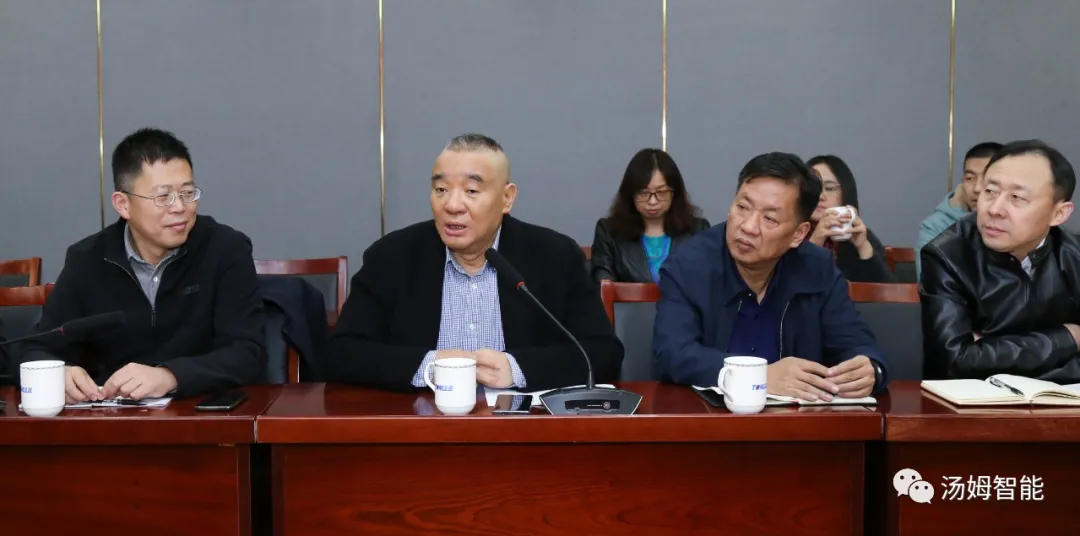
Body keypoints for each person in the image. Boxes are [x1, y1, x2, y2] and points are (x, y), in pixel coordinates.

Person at [325, 134, 623, 392]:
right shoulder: (392, 257)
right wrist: (430, 366)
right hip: (420, 427)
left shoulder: (554, 256)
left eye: (471, 191)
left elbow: (602, 353)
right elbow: (341, 353)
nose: (452, 205)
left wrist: (517, 367)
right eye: (441, 190)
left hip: (520, 430)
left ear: (507, 198)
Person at [21, 128, 266, 402]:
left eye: (187, 193)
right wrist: (58, 373)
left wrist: (170, 376)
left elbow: (247, 352)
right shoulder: (87, 260)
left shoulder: (225, 249)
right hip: (112, 419)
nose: (179, 207)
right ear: (123, 204)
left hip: (201, 413)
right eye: (163, 197)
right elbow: (37, 349)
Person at [653, 152, 888, 400]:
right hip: (709, 417)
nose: (748, 227)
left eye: (769, 218)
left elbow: (859, 345)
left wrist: (870, 370)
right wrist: (758, 376)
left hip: (799, 419)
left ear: (798, 234)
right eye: (742, 207)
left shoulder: (818, 268)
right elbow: (672, 354)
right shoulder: (689, 264)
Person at [921, 140, 1080, 381]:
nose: (994, 209)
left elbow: (974, 359)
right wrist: (1069, 338)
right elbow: (954, 362)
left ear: (1059, 213)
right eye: (990, 192)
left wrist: (989, 350)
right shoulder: (948, 255)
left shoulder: (1074, 256)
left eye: (1017, 197)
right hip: (975, 402)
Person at [591, 148, 709, 285]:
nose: (652, 201)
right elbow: (603, 284)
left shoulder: (698, 231)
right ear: (630, 194)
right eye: (643, 193)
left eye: (662, 192)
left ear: (675, 193)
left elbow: (707, 282)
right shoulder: (609, 232)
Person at [914, 142, 1001, 279]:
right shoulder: (936, 227)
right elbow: (931, 283)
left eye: (987, 178)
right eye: (970, 178)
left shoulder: (1017, 222)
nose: (977, 188)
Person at [806, 155, 893, 283]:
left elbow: (888, 291)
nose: (820, 196)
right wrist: (814, 244)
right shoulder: (789, 236)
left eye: (829, 188)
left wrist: (863, 247)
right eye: (813, 188)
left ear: (845, 192)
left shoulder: (861, 235)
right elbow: (784, 286)